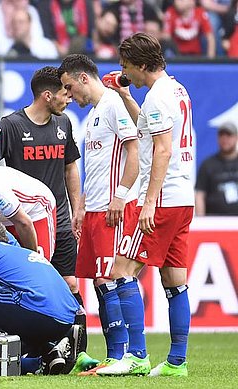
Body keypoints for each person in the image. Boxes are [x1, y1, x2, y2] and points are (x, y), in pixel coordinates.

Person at [95, 32, 194, 377]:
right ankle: (177, 363)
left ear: (140, 64)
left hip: (162, 200)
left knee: (121, 271)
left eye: (126, 67)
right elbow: (149, 129)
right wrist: (125, 96)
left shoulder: (156, 98)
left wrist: (149, 202)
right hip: (183, 198)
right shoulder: (176, 90)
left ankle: (136, 355)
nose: (125, 74)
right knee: (174, 278)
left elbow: (163, 150)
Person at [0, 66, 87, 353]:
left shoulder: (64, 124)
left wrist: (78, 209)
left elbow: (70, 168)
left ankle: (78, 351)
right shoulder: (10, 125)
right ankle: (37, 350)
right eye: (65, 92)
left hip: (61, 221)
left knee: (70, 284)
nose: (69, 98)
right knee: (33, 287)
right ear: (47, 95)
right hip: (26, 224)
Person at [58, 54, 139, 373]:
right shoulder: (93, 114)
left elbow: (134, 149)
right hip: (93, 210)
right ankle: (114, 354)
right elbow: (95, 168)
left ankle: (126, 355)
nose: (68, 95)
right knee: (99, 282)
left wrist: (120, 196)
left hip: (113, 208)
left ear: (83, 79)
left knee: (112, 277)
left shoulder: (114, 104)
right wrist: (80, 206)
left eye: (68, 87)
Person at [0, 217, 82, 375]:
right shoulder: (24, 253)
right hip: (65, 319)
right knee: (4, 310)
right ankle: (50, 351)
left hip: (36, 308)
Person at [195, 122, 238, 215]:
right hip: (215, 222)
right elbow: (200, 194)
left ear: (236, 138)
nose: (225, 139)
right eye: (222, 135)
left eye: (229, 135)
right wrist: (201, 222)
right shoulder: (208, 164)